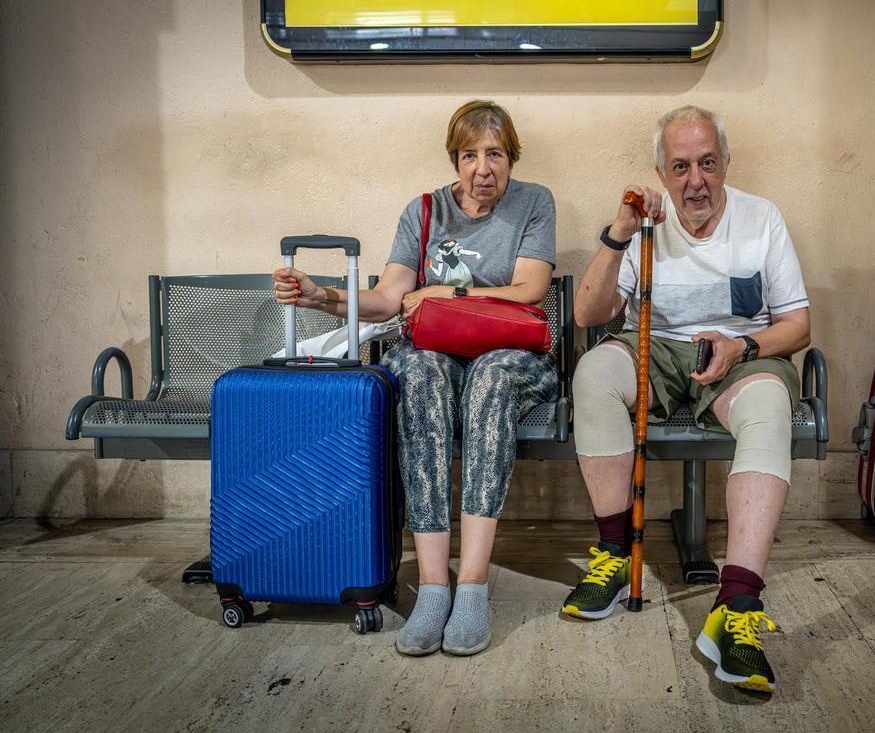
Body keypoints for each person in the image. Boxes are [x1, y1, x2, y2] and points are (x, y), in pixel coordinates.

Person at [274, 100, 557, 657]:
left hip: (512, 356)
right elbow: (387, 299)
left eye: (495, 154)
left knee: (492, 379)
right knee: (417, 372)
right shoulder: (423, 210)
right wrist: (323, 297)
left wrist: (444, 294)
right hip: (437, 356)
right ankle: (433, 588)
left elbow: (530, 291)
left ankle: (472, 588)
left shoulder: (534, 203)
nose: (483, 168)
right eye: (470, 154)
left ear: (510, 158)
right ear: (455, 159)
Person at [562, 105, 811, 694]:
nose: (695, 180)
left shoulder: (762, 218)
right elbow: (587, 315)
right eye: (680, 167)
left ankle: (736, 607)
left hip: (741, 349)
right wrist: (619, 231)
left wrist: (741, 345)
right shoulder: (646, 223)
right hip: (657, 346)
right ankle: (616, 556)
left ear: (725, 163)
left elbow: (798, 327)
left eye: (707, 163)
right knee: (595, 373)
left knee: (769, 409)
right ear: (661, 171)